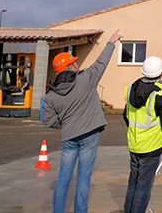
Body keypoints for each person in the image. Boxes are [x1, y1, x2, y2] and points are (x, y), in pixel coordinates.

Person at [42, 29, 123, 213]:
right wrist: (111, 42)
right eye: (74, 63)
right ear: (69, 67)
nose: (77, 64)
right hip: (89, 136)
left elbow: (48, 120)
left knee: (64, 177)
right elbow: (101, 63)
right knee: (84, 178)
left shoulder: (51, 94)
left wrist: (66, 124)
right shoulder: (86, 79)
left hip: (69, 138)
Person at [122, 56, 162, 213]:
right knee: (143, 186)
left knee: (133, 183)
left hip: (134, 144)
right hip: (151, 147)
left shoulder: (131, 89)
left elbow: (126, 115)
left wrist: (136, 132)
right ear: (161, 73)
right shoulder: (161, 95)